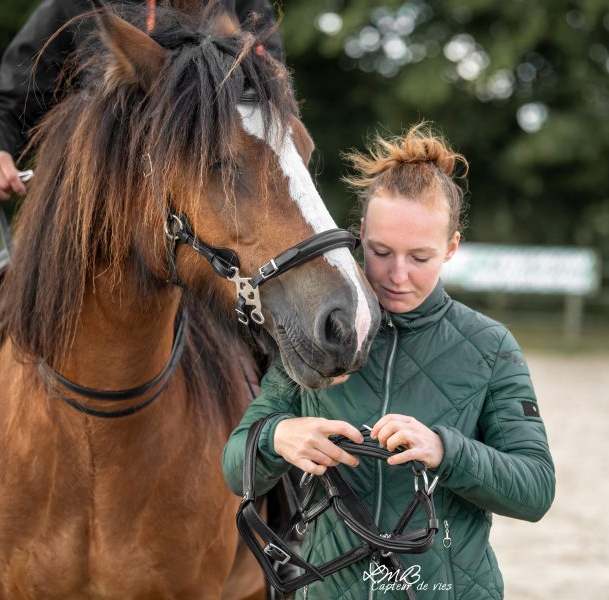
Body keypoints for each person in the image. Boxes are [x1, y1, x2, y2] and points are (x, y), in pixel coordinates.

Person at [223, 123, 556, 599]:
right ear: (359, 235)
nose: (398, 276)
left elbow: (535, 489)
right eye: (380, 252)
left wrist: (445, 450)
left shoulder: (491, 346)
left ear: (452, 248)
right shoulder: (323, 334)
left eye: (420, 257)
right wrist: (276, 436)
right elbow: (236, 468)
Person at [0, 0, 283, 203]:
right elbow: (9, 99)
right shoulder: (75, 5)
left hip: (219, 202)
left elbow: (270, 111)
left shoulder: (246, 8)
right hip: (101, 206)